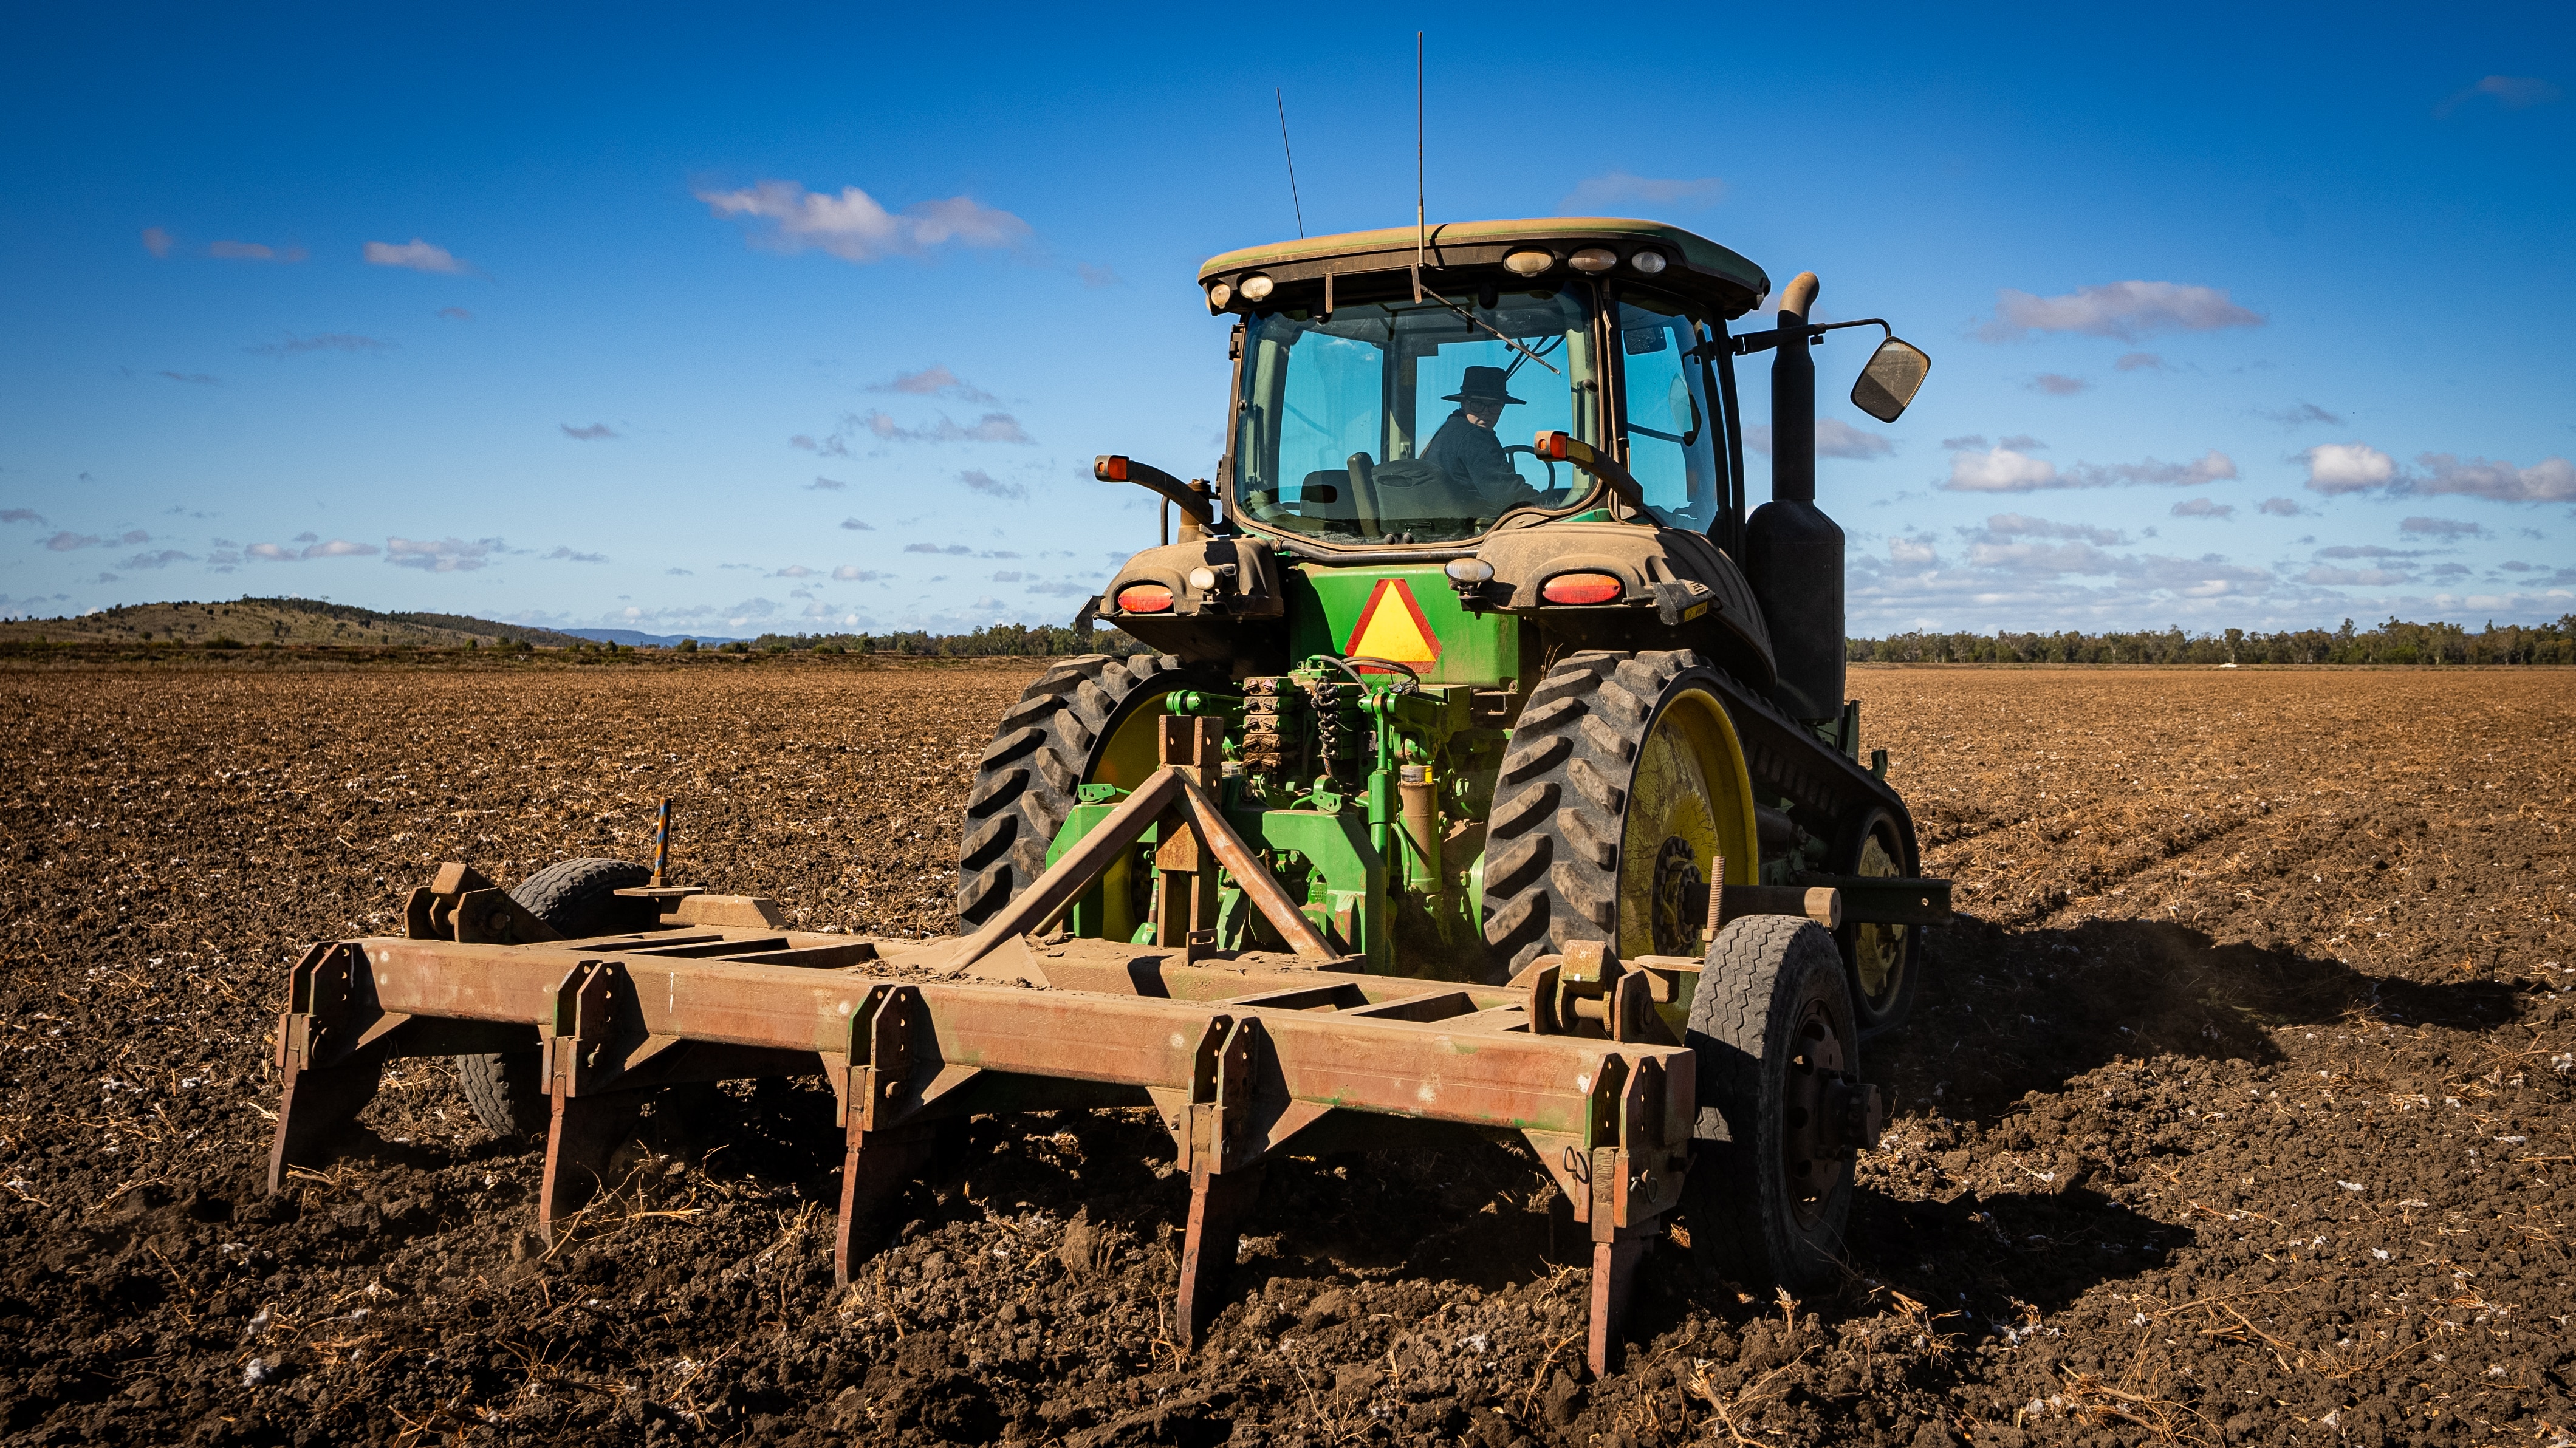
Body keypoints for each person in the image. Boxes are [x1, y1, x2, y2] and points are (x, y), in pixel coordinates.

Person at [1420, 366, 1541, 510]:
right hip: (1471, 526)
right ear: (1464, 403)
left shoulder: (1451, 430)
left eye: (1495, 406)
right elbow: (1508, 494)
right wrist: (1551, 506)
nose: (1486, 412)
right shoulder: (1475, 438)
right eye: (1478, 404)